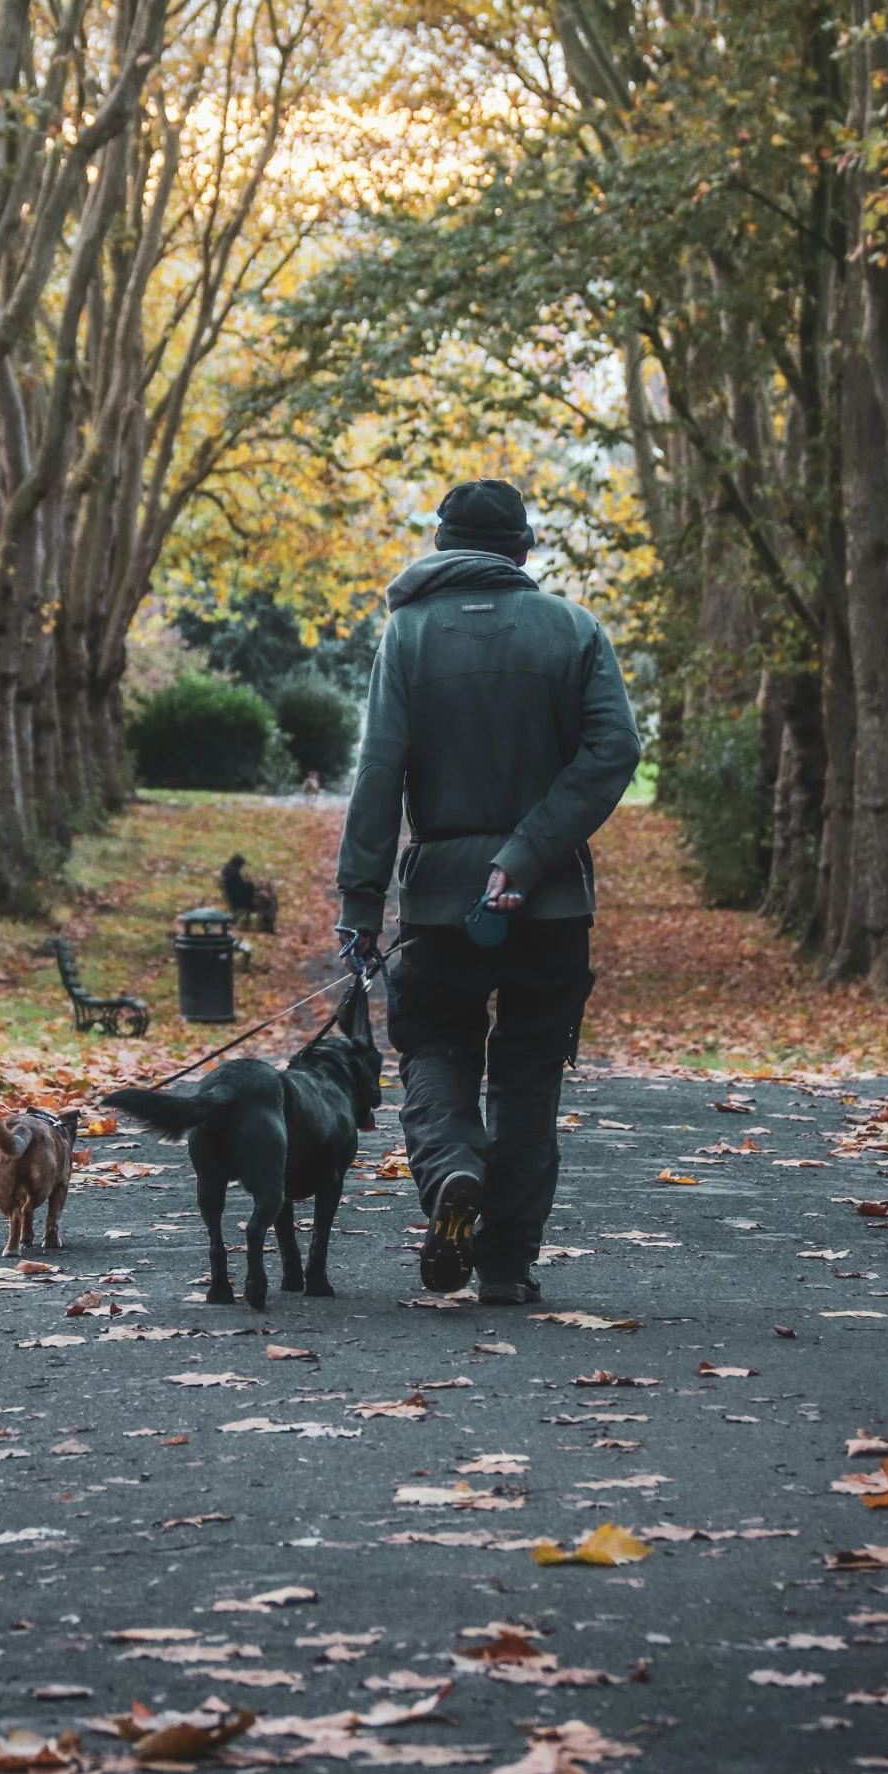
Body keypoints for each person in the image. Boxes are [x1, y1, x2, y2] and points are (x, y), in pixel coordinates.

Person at [336, 478, 640, 1305]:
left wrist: (360, 906)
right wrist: (529, 852)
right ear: (522, 550)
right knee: (528, 1076)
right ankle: (504, 1265)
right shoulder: (574, 630)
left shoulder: (406, 636)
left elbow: (378, 776)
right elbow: (614, 752)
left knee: (434, 1048)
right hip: (550, 904)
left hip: (439, 903)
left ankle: (453, 1174)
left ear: (440, 545)